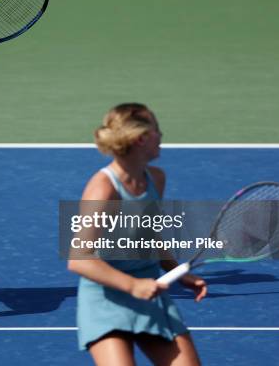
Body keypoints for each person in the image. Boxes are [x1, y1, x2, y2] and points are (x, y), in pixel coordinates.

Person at [68, 103, 207, 365]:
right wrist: (133, 286)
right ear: (141, 138)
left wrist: (178, 272)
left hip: (150, 296)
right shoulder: (103, 188)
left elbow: (149, 236)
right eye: (157, 130)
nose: (162, 136)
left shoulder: (156, 178)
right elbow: (79, 258)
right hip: (106, 299)